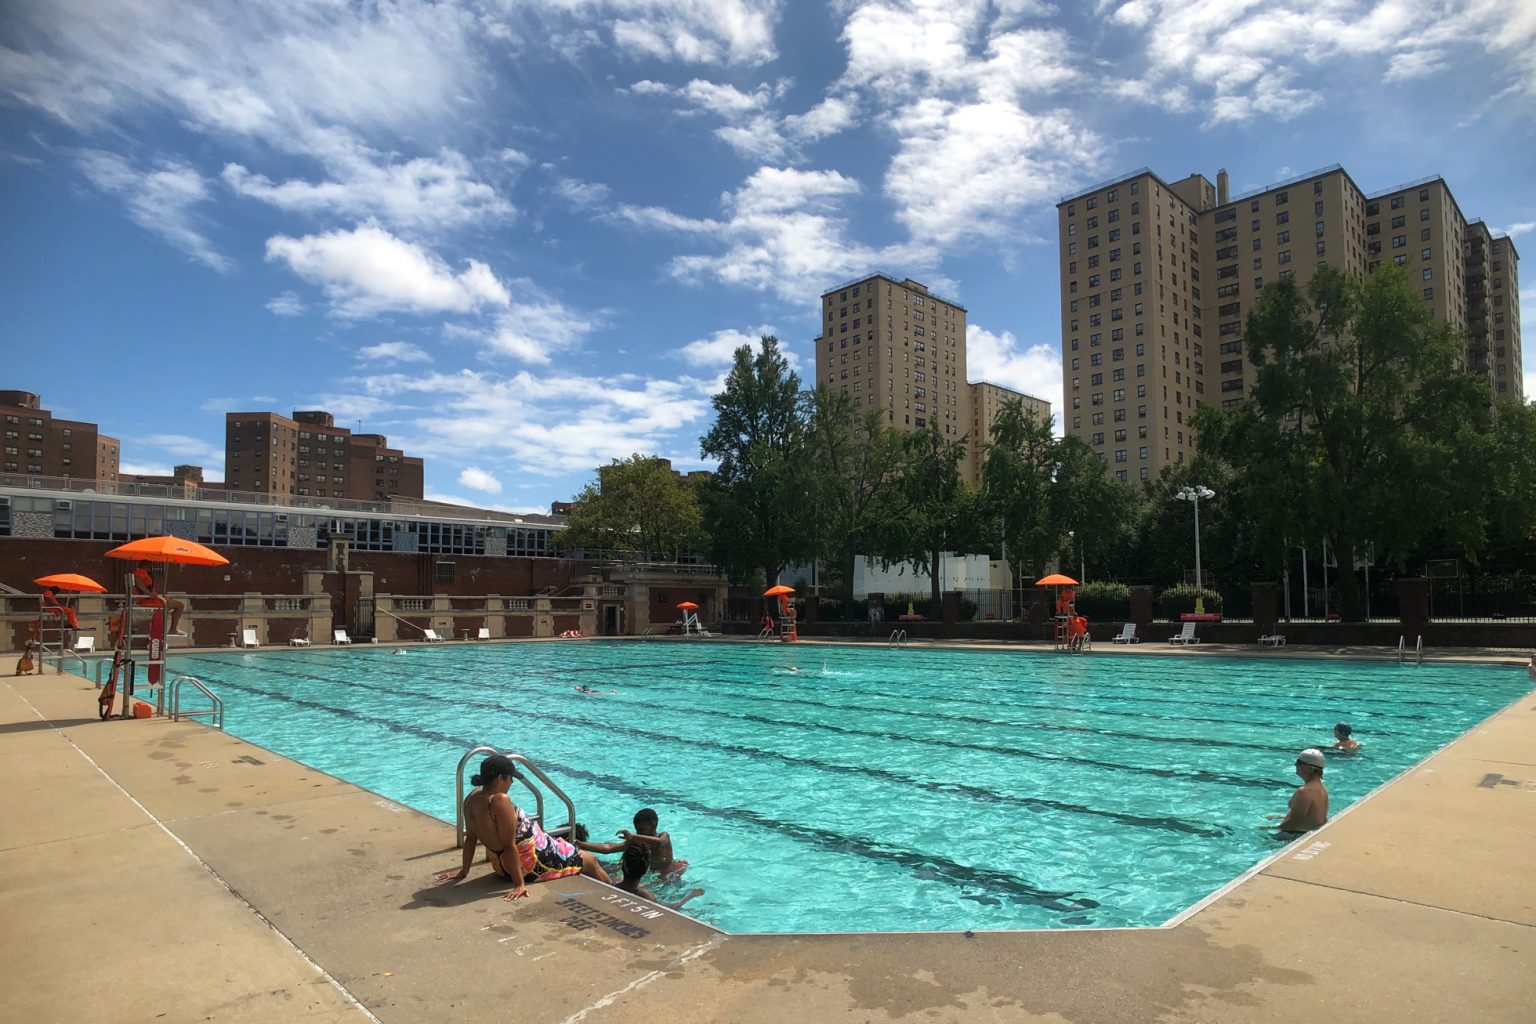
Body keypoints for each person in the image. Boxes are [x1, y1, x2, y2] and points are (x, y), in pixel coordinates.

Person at [437, 754, 611, 897]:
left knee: (573, 850)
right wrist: (519, 884)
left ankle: (616, 889)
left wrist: (464, 871)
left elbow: (471, 839)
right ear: (500, 779)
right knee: (591, 861)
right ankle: (617, 893)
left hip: (506, 866)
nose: (512, 783)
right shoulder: (499, 801)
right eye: (510, 778)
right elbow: (509, 846)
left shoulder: (472, 798)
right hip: (531, 866)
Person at [614, 842, 704, 911]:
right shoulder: (646, 896)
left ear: (624, 864)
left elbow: (630, 887)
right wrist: (691, 896)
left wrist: (654, 883)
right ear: (646, 869)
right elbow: (671, 908)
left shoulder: (614, 884)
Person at [1267, 748, 1330, 834]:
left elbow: (1294, 823)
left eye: (1299, 763)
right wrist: (1280, 817)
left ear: (1310, 768)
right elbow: (1312, 816)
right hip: (1304, 833)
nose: (1295, 765)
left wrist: (1269, 828)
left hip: (1293, 836)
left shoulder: (1304, 791)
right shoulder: (1322, 789)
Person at [618, 807, 687, 879]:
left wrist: (633, 836)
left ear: (653, 823)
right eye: (637, 830)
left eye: (642, 829)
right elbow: (622, 849)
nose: (639, 833)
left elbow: (660, 842)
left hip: (666, 871)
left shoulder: (663, 835)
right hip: (650, 872)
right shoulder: (639, 840)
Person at [132, 560, 186, 636]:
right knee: (180, 605)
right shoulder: (139, 572)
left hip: (154, 599)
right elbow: (139, 584)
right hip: (149, 601)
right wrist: (150, 594)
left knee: (174, 604)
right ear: (146, 564)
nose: (151, 565)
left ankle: (171, 627)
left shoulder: (145, 573)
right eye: (150, 563)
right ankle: (173, 629)